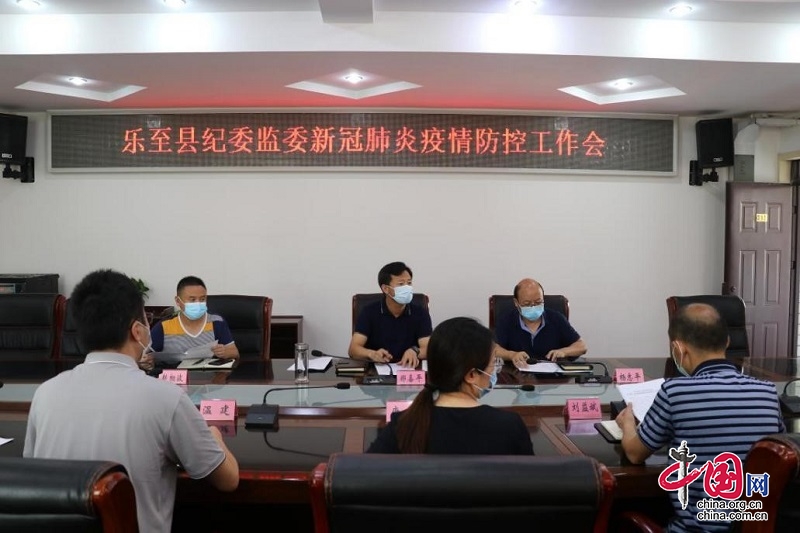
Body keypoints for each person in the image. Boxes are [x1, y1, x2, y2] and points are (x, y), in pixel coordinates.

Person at [23, 269, 239, 533]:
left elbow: (33, 474)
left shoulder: (45, 394)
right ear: (138, 331)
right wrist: (214, 436)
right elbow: (228, 480)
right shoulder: (166, 397)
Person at [616, 303, 784, 533]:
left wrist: (627, 423)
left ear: (678, 349)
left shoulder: (675, 392)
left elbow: (635, 454)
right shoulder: (767, 392)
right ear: (727, 342)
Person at [367, 316, 534, 454]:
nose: (494, 371)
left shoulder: (403, 423)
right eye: (493, 363)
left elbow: (364, 474)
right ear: (471, 375)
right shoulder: (509, 427)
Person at [348, 261, 432, 368]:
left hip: (409, 369)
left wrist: (415, 351)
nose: (407, 288)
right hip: (377, 370)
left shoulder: (420, 313)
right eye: (401, 284)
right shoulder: (369, 312)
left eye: (409, 283)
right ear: (385, 289)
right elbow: (353, 349)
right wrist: (371, 354)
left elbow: (428, 348)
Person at [494, 278, 587, 365]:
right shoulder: (506, 320)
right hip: (516, 374)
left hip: (551, 375)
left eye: (538, 302)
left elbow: (581, 346)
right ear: (516, 303)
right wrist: (511, 355)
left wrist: (563, 352)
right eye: (527, 304)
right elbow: (494, 349)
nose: (533, 307)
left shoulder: (556, 318)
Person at [150, 275, 239, 359]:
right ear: (178, 301)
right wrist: (147, 362)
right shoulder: (164, 326)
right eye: (192, 300)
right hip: (175, 370)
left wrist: (225, 352)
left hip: (208, 370)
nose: (198, 303)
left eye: (202, 299)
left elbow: (235, 353)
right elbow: (146, 356)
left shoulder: (217, 321)